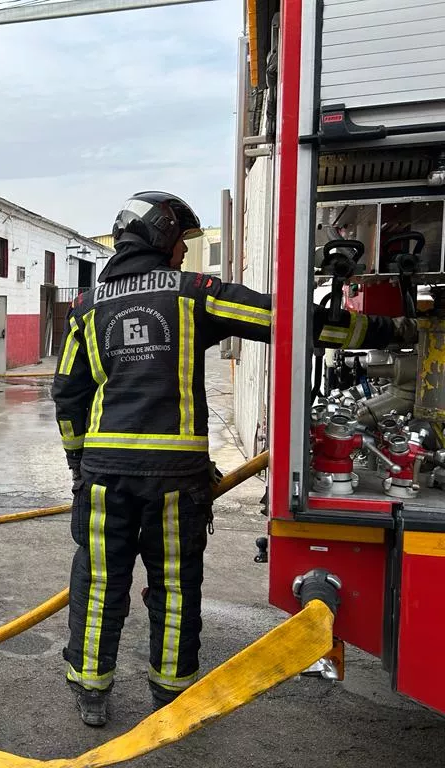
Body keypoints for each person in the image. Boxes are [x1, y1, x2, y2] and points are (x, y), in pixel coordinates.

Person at [53, 191, 417, 726]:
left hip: (104, 476)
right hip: (176, 479)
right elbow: (287, 320)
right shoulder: (193, 293)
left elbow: (67, 393)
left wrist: (77, 464)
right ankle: (170, 692)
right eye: (180, 241)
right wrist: (388, 331)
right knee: (174, 582)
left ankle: (91, 687)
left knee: (100, 580)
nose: (182, 252)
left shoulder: (88, 308)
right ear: (159, 237)